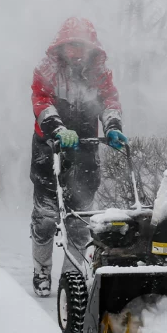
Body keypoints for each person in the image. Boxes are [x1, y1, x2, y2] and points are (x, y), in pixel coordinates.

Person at [29, 17, 128, 297]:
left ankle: (70, 280)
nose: (76, 51)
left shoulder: (99, 74)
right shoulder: (46, 70)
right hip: (48, 150)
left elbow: (110, 100)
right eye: (71, 45)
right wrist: (58, 128)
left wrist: (112, 126)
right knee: (46, 217)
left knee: (80, 219)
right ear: (61, 46)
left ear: (91, 48)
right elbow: (41, 101)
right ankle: (42, 270)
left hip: (85, 151)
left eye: (81, 45)